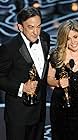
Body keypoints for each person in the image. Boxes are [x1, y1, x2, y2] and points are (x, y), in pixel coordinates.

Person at [0, 7, 50, 140]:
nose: (36, 32)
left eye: (39, 26)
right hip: (19, 114)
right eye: (31, 27)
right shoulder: (9, 48)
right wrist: (22, 88)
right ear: (20, 27)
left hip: (40, 111)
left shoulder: (45, 38)